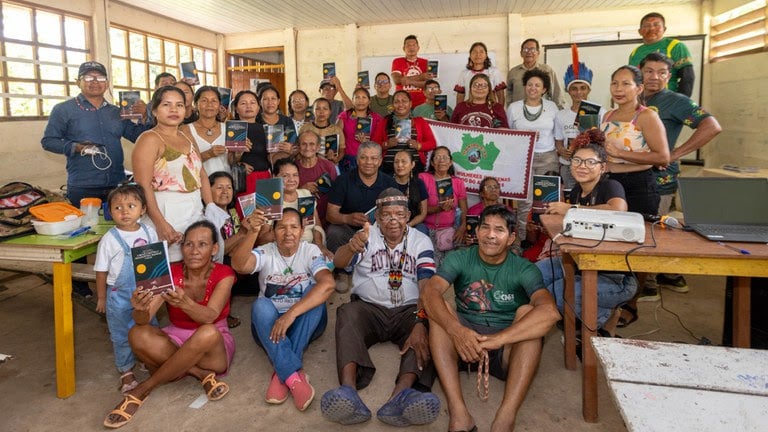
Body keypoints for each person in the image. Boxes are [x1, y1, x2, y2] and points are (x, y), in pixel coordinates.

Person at [422, 204, 560, 432]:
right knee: (440, 309)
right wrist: (457, 331)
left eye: (499, 230)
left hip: (505, 347)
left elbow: (550, 312)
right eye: (485, 228)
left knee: (529, 315)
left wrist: (498, 339)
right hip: (463, 342)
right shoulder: (460, 258)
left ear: (511, 238)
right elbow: (430, 292)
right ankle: (459, 413)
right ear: (476, 232)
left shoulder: (524, 268)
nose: (490, 235)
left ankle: (505, 417)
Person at [321, 188, 440, 427]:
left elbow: (427, 287)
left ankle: (401, 396)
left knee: (431, 324)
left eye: (400, 214)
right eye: (386, 215)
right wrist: (352, 246)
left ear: (408, 216)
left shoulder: (421, 241)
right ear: (377, 216)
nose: (393, 220)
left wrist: (420, 321)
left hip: (408, 311)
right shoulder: (366, 235)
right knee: (346, 313)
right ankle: (348, 391)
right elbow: (339, 262)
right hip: (369, 308)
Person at [102, 221, 236, 429]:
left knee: (207, 332)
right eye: (189, 244)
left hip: (212, 345)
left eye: (202, 244)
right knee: (137, 333)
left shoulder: (224, 273)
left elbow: (210, 316)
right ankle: (200, 374)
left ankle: (143, 388)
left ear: (214, 249)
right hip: (176, 338)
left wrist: (185, 304)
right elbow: (143, 319)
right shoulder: (170, 273)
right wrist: (139, 308)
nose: (194, 251)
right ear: (182, 248)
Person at [230, 207, 335, 412]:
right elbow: (239, 265)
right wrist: (253, 232)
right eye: (281, 228)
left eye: (294, 227)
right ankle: (293, 376)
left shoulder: (310, 251)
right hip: (269, 325)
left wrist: (290, 314)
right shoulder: (266, 251)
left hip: (304, 321)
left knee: (316, 294)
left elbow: (328, 284)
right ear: (273, 231)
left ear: (302, 230)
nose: (288, 233)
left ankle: (281, 373)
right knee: (260, 306)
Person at [637, 52, 721, 302]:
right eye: (649, 71)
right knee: (637, 229)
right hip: (633, 175)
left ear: (669, 76)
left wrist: (674, 154)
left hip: (659, 180)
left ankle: (649, 285)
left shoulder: (675, 100)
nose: (654, 77)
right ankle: (662, 276)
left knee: (651, 231)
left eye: (661, 72)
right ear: (640, 72)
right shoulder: (634, 96)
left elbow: (712, 126)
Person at [537, 133, 637, 331]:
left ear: (603, 167)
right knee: (534, 275)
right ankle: (591, 316)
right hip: (581, 264)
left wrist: (571, 209)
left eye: (590, 162)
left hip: (615, 277)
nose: (582, 166)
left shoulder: (610, 186)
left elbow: (618, 210)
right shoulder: (576, 192)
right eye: (577, 160)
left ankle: (602, 321)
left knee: (556, 293)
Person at [41, 61, 147, 205]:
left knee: (117, 219)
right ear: (78, 82)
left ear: (107, 83)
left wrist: (144, 117)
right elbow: (48, 141)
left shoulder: (116, 112)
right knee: (85, 220)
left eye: (101, 78)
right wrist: (76, 147)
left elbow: (138, 137)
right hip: (83, 185)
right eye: (89, 77)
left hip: (116, 184)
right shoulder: (63, 110)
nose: (95, 82)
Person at [132, 85, 212, 262]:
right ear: (154, 110)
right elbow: (143, 185)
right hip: (163, 211)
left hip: (194, 209)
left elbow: (201, 174)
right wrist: (160, 223)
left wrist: (211, 207)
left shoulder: (187, 137)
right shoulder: (149, 139)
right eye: (166, 105)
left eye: (179, 105)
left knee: (194, 264)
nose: (174, 110)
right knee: (163, 267)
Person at [94, 184, 158, 395]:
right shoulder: (109, 239)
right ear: (110, 212)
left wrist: (159, 287)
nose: (125, 212)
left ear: (143, 209)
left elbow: (157, 260)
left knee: (149, 327)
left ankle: (147, 358)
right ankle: (126, 371)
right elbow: (101, 271)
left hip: (146, 292)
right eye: (118, 207)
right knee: (121, 334)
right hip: (119, 296)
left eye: (131, 206)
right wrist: (101, 297)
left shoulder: (149, 232)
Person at [601, 65, 669, 216]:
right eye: (614, 83)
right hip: (610, 182)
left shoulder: (647, 116)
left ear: (639, 88)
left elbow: (663, 158)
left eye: (626, 84)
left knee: (639, 228)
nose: (618, 89)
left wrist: (620, 153)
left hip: (638, 186)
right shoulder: (608, 116)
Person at [507, 69, 565, 242]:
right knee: (525, 202)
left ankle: (547, 242)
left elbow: (558, 134)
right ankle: (522, 241)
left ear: (544, 89)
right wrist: (525, 137)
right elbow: (509, 136)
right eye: (530, 84)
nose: (533, 88)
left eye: (537, 85)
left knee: (547, 201)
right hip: (523, 160)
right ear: (525, 86)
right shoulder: (514, 108)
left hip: (548, 158)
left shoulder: (552, 107)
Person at [325, 142, 399, 252]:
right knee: (334, 231)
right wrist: (348, 218)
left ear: (380, 161)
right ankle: (340, 263)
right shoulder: (343, 180)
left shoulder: (390, 183)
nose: (368, 162)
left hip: (380, 232)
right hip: (349, 231)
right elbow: (330, 215)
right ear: (357, 160)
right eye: (364, 157)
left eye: (373, 158)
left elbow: (397, 213)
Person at [260, 158, 331, 257]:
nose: (291, 179)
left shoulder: (305, 194)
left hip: (309, 249)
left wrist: (319, 246)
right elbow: (262, 239)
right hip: (281, 253)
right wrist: (284, 227)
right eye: (285, 176)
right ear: (274, 177)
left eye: (295, 175)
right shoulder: (269, 201)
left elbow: (317, 225)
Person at [556, 60, 605, 190]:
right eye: (574, 88)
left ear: (589, 89)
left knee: (591, 197)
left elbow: (605, 140)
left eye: (583, 88)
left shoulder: (600, 112)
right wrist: (562, 151)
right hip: (568, 166)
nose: (578, 92)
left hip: (592, 166)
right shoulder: (560, 115)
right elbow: (558, 142)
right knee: (570, 196)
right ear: (568, 91)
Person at [419, 147, 468, 266]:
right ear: (432, 162)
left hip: (451, 231)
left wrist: (462, 228)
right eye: (437, 157)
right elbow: (420, 209)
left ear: (450, 162)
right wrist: (439, 208)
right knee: (432, 265)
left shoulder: (458, 182)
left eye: (445, 157)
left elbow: (464, 210)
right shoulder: (423, 178)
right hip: (428, 230)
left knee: (453, 265)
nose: (441, 160)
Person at [629, 12, 694, 97]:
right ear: (640, 31)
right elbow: (632, 80)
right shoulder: (635, 52)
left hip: (667, 100)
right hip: (641, 101)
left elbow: (687, 78)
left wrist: (681, 102)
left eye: (656, 25)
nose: (651, 28)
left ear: (664, 29)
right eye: (647, 26)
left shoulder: (675, 46)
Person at [381, 90, 437, 174]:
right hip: (389, 167)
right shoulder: (385, 121)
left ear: (410, 104)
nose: (400, 104)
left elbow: (432, 143)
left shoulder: (420, 121)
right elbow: (374, 144)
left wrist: (418, 145)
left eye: (404, 101)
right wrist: (387, 144)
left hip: (414, 166)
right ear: (392, 105)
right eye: (396, 102)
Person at [183, 86, 235, 176]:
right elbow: (181, 162)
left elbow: (231, 161)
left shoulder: (229, 129)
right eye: (204, 100)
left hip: (225, 182)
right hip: (197, 182)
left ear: (219, 105)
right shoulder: (185, 130)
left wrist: (238, 152)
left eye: (214, 101)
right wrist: (208, 154)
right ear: (196, 104)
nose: (209, 104)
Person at [294, 129, 339, 226]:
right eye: (304, 144)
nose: (307, 148)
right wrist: (302, 190)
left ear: (318, 147)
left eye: (312, 144)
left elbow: (337, 194)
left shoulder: (328, 166)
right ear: (298, 146)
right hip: (301, 221)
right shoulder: (292, 168)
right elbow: (285, 197)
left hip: (328, 219)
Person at [335, 87, 385, 172]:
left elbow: (381, 142)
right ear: (352, 100)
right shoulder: (345, 116)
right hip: (348, 160)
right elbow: (336, 137)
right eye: (357, 97)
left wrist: (368, 143)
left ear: (369, 101)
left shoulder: (377, 118)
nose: (360, 100)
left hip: (369, 160)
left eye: (364, 97)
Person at [506, 38, 566, 109]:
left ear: (538, 52)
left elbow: (556, 93)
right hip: (519, 112)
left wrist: (560, 110)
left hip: (542, 112)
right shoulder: (513, 72)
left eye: (532, 49)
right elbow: (509, 95)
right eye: (525, 49)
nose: (529, 52)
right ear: (521, 53)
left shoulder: (546, 70)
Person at [232, 90, 272, 194]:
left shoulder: (267, 129)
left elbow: (271, 158)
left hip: (265, 178)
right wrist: (239, 165)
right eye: (243, 103)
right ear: (236, 108)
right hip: (242, 179)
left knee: (265, 204)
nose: (248, 106)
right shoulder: (232, 129)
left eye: (252, 103)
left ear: (258, 107)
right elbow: (227, 159)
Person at [455, 42, 507, 106]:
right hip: (469, 108)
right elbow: (460, 96)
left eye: (481, 52)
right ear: (470, 55)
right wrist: (459, 110)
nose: (478, 55)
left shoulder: (494, 72)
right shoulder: (464, 74)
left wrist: (499, 110)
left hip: (489, 108)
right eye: (474, 52)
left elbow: (500, 94)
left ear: (486, 55)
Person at [257, 85, 298, 164]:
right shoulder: (256, 121)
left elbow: (295, 146)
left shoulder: (287, 121)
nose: (270, 102)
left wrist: (290, 149)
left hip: (283, 164)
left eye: (273, 98)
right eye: (265, 99)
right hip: (260, 165)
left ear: (278, 101)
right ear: (260, 102)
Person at [299, 97, 346, 164]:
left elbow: (342, 150)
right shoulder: (305, 128)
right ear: (313, 111)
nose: (321, 112)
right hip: (308, 164)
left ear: (330, 111)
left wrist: (336, 159)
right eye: (318, 109)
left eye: (325, 109)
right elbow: (299, 148)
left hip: (330, 165)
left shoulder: (336, 130)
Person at [392, 149, 428, 234]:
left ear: (412, 164)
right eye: (396, 162)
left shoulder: (419, 183)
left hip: (412, 224)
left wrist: (408, 225)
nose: (399, 165)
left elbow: (423, 213)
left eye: (403, 161)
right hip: (391, 224)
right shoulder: (387, 182)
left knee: (422, 229)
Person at [391, 35, 430, 107]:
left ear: (418, 48)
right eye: (408, 45)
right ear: (403, 48)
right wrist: (420, 77)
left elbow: (428, 85)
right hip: (402, 104)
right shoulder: (397, 61)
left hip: (422, 104)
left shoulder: (426, 62)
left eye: (414, 45)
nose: (411, 48)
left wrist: (408, 81)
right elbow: (397, 80)